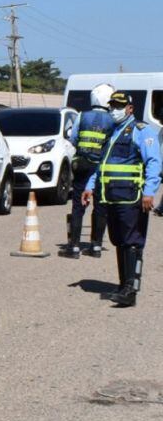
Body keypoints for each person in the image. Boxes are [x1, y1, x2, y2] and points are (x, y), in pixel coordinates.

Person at [81, 92, 161, 307]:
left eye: (119, 105)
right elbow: (102, 165)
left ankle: (130, 290)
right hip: (111, 196)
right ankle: (122, 285)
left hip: (131, 197)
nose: (115, 109)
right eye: (113, 105)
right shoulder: (113, 132)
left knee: (132, 242)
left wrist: (149, 192)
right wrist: (90, 186)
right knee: (119, 241)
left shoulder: (142, 131)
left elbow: (154, 162)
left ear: (130, 109)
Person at [60, 83, 115, 258]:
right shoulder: (112, 120)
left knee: (78, 206)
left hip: (82, 165)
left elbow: (73, 138)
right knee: (100, 206)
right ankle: (96, 246)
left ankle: (74, 246)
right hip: (102, 167)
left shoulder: (82, 116)